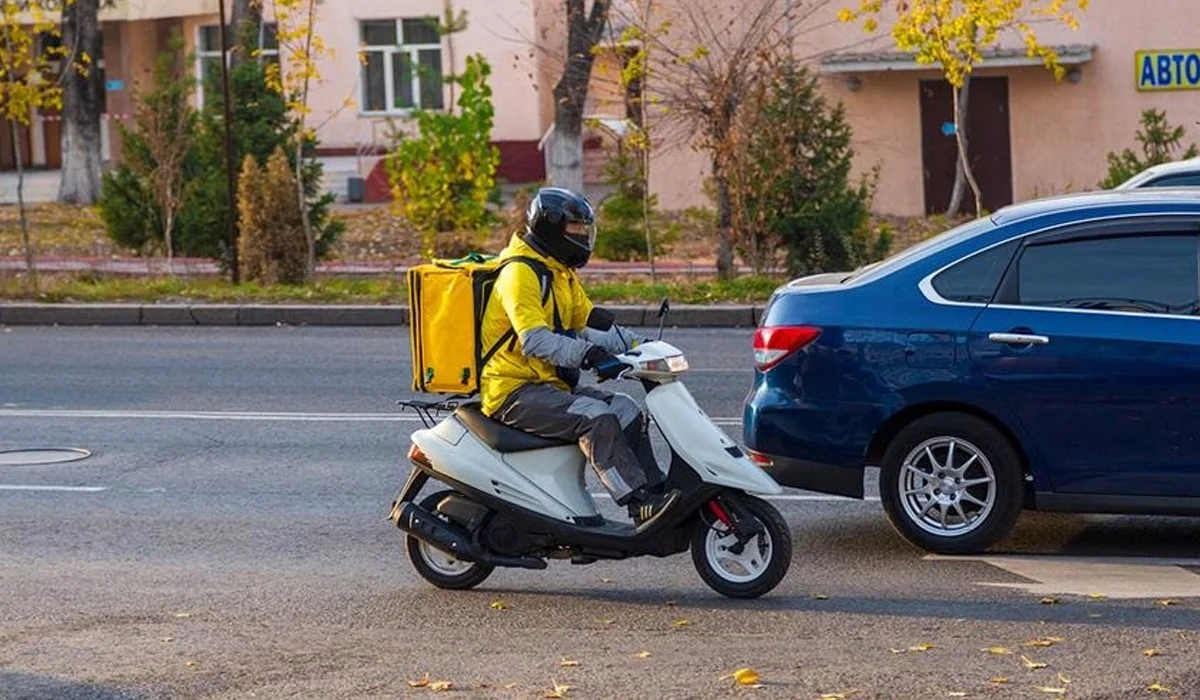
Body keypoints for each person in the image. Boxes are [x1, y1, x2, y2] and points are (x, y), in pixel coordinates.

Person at [478, 187, 680, 526]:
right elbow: (536, 341)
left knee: (626, 410)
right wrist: (591, 356)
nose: (583, 236)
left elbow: (588, 323)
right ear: (551, 227)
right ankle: (635, 498)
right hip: (512, 391)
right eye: (576, 228)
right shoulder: (520, 274)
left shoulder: (558, 272)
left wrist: (640, 346)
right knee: (597, 417)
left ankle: (656, 492)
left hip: (547, 385)